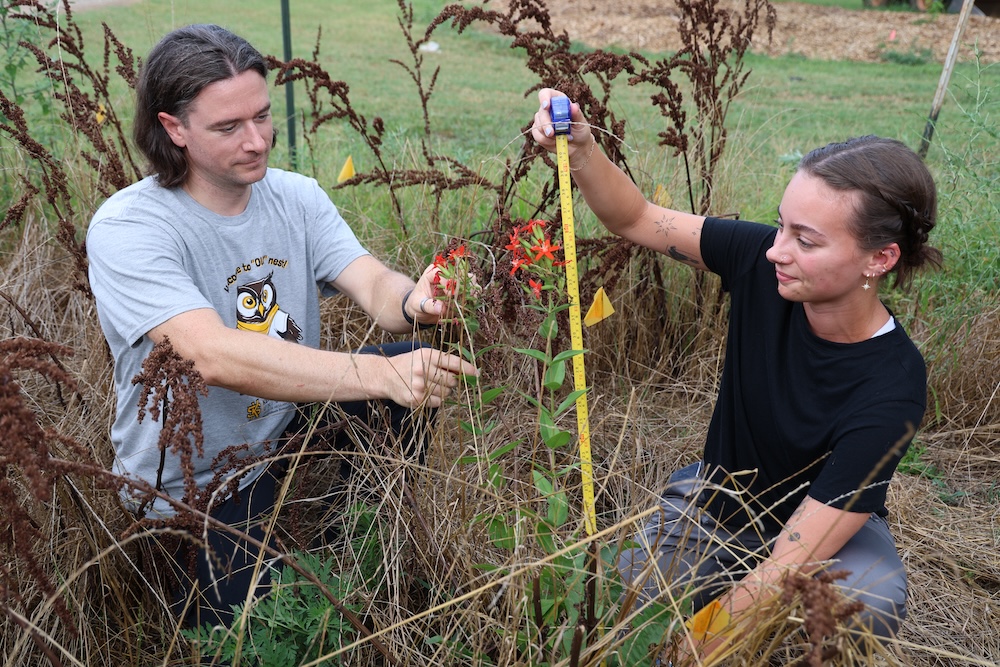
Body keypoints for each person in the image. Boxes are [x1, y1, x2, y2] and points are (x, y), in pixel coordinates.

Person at [86, 24, 477, 629]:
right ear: (174, 129)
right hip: (194, 481)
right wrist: (377, 373)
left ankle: (362, 539)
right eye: (228, 127)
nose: (257, 141)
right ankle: (253, 570)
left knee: (411, 364)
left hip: (286, 435)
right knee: (264, 633)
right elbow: (212, 355)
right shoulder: (130, 229)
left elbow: (374, 287)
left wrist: (417, 299)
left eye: (263, 116)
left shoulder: (295, 197)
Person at [530, 89, 941, 658]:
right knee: (608, 612)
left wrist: (695, 651)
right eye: (780, 227)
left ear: (880, 258)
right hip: (714, 510)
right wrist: (581, 150)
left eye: (807, 240)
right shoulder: (759, 261)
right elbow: (636, 217)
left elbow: (789, 563)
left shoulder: (893, 383)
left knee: (866, 605)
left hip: (823, 539)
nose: (777, 251)